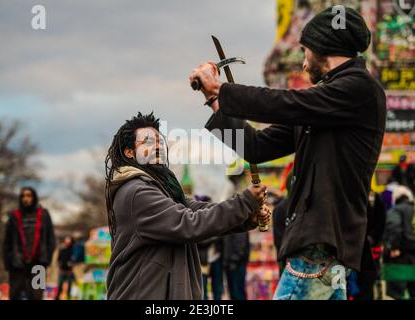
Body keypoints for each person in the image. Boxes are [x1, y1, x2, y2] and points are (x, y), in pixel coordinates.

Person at [190, 6, 386, 300]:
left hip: (319, 242)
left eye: (305, 51)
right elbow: (255, 147)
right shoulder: (324, 105)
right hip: (322, 247)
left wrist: (222, 89)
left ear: (323, 48)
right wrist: (214, 101)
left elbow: (287, 103)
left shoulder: (359, 88)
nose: (304, 64)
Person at [104, 112, 270, 300]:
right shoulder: (136, 192)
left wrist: (248, 217)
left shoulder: (160, 187)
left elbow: (196, 209)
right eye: (148, 142)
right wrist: (246, 201)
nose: (157, 146)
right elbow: (188, 223)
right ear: (129, 153)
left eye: (159, 141)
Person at [3, 187, 56, 300]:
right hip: (17, 265)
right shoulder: (14, 216)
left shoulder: (44, 215)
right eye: (23, 196)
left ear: (34, 197)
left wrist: (47, 259)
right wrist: (8, 262)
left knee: (37, 296)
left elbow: (51, 239)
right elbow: (7, 242)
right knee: (15, 295)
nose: (25, 198)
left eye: (28, 195)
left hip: (39, 263)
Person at [383, 186, 415, 299]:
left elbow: (394, 228)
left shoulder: (396, 210)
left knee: (396, 294)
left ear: (395, 197)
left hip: (400, 257)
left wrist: (393, 247)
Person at [222, 231, 250, 300]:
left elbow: (241, 243)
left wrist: (234, 260)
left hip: (236, 264)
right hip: (232, 263)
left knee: (237, 293)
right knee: (234, 293)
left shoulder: (237, 223)